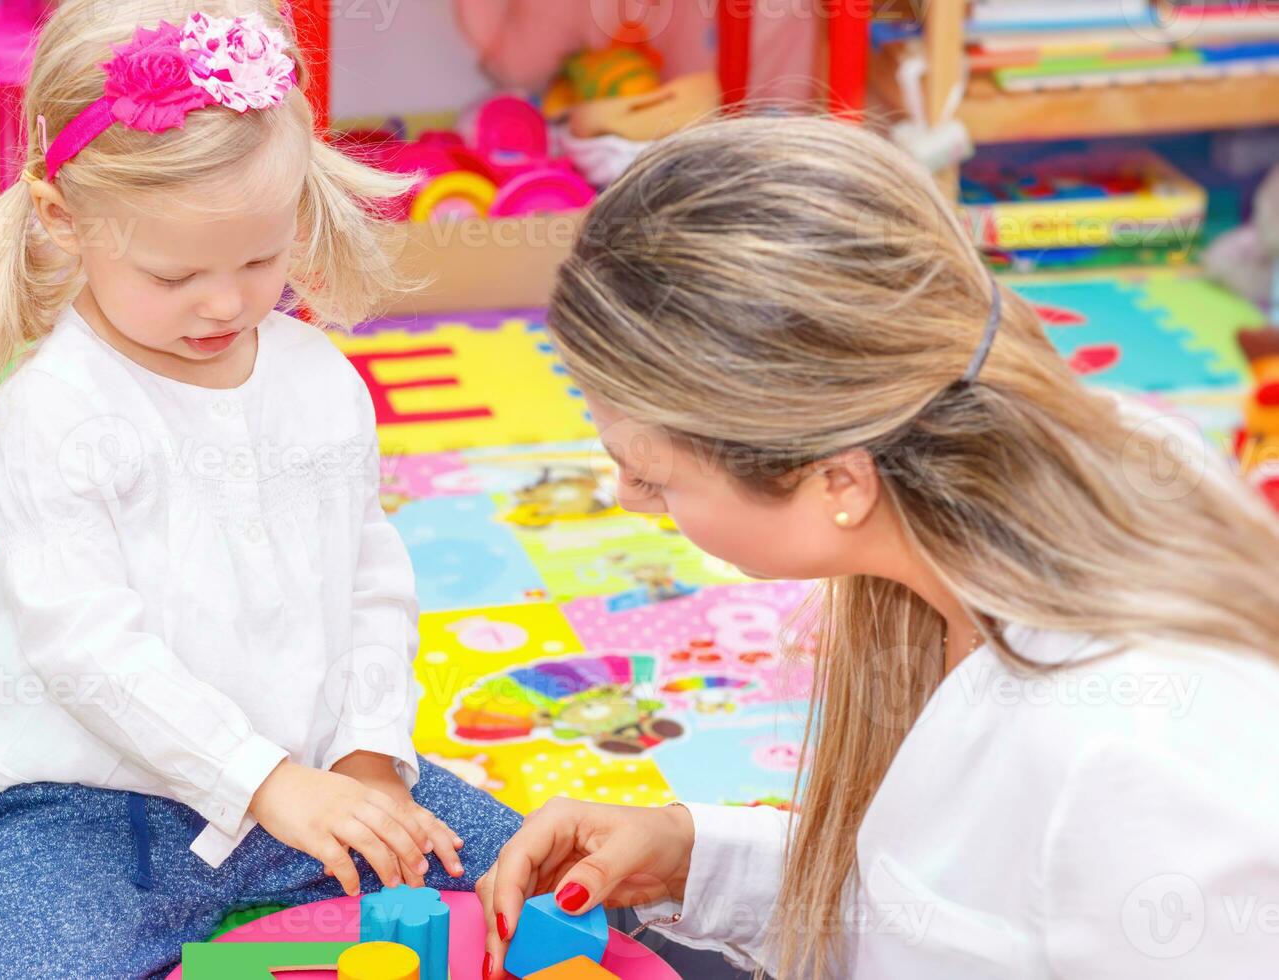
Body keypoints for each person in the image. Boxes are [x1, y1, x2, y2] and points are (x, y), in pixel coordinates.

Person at [479, 116, 1279, 980]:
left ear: (838, 484)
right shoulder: (1043, 484)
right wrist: (692, 854)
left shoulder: (1139, 762)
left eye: (655, 477)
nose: (629, 500)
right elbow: (955, 905)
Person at [0, 3, 521, 975]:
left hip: (307, 777)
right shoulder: (54, 411)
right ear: (65, 216)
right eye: (176, 271)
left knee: (538, 883)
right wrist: (261, 777)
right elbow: (87, 649)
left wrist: (363, 755)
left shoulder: (316, 378)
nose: (228, 302)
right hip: (84, 814)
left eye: (261, 258)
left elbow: (369, 581)